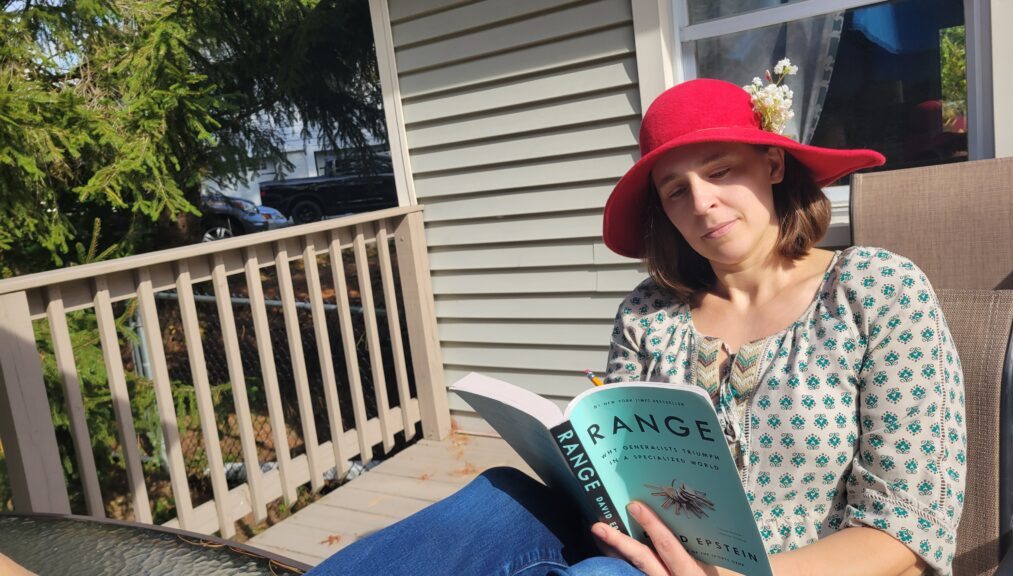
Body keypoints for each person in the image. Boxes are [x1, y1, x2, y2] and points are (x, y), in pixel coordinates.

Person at [309, 75, 966, 576]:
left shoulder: (875, 289)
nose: (701, 203)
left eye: (720, 171)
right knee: (502, 496)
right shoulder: (649, 313)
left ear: (771, 165)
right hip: (648, 554)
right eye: (676, 189)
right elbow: (618, 478)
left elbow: (906, 532)